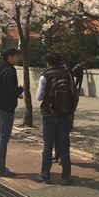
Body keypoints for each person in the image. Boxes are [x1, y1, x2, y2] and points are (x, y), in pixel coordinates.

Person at [36, 52, 78, 185]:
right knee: (64, 145)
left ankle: (45, 175)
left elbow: (39, 96)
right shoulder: (67, 74)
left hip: (48, 113)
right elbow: (73, 93)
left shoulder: (45, 76)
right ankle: (66, 176)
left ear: (48, 62)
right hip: (64, 114)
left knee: (48, 145)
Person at [0, 48, 23, 177]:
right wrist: (20, 90)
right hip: (6, 108)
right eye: (15, 56)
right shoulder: (10, 71)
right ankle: (1, 168)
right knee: (4, 138)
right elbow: (11, 91)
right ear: (10, 57)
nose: (17, 58)